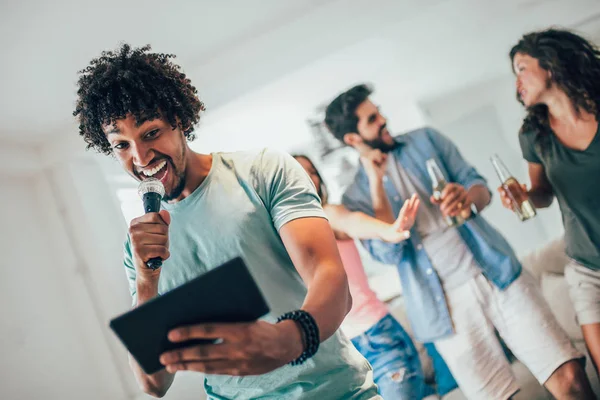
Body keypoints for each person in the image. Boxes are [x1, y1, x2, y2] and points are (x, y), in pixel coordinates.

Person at [73, 44, 381, 400]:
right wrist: (146, 280)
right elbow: (152, 384)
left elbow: (330, 278)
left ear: (181, 120)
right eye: (121, 145)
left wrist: (287, 340)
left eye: (151, 133)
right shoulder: (140, 248)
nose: (140, 157)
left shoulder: (263, 170)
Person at [323, 83, 595, 399]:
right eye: (371, 119)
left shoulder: (426, 139)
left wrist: (467, 200)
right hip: (444, 311)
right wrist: (375, 182)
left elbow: (478, 186)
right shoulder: (355, 197)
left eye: (378, 112)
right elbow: (387, 252)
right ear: (353, 139)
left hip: (498, 275)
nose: (382, 120)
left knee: (569, 375)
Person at [293, 153, 458, 399]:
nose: (309, 177)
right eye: (298, 171)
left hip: (377, 338)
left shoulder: (328, 214)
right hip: (336, 353)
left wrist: (390, 231)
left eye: (313, 171)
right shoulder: (283, 235)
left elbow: (354, 221)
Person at [505, 28, 600, 377]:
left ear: (550, 65)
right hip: (587, 268)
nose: (517, 83)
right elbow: (542, 194)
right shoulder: (534, 135)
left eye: (521, 69)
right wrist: (523, 196)